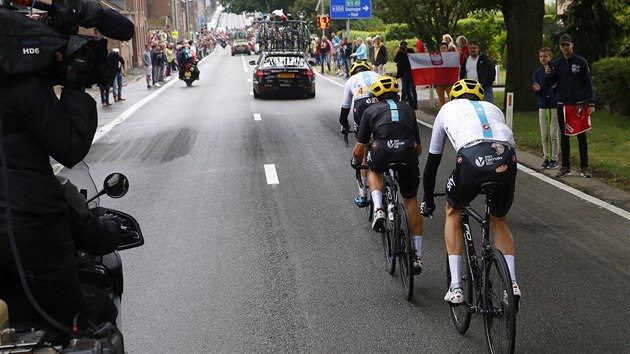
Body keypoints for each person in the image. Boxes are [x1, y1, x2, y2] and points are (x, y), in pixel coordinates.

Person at [0, 30, 124, 327]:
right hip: (31, 233)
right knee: (93, 313)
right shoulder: (23, 86)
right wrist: (73, 84)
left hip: (22, 234)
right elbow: (69, 147)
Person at [421, 79, 520, 304]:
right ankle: (512, 284)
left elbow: (432, 164)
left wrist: (428, 200)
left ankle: (456, 287)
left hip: (471, 158)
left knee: (453, 210)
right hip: (506, 157)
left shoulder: (446, 109)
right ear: (480, 97)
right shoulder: (493, 108)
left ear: (455, 97)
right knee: (499, 220)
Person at [352, 76, 425, 272]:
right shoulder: (408, 109)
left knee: (373, 170)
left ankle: (378, 209)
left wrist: (356, 163)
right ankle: (417, 256)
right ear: (399, 96)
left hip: (382, 149)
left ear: (375, 99)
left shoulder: (370, 110)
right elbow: (418, 148)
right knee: (410, 200)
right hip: (408, 151)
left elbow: (359, 150)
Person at [545, 34, 596, 178]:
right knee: (564, 135)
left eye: (567, 45)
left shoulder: (581, 62)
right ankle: (565, 166)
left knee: (581, 136)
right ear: (560, 47)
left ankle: (584, 167)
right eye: (563, 45)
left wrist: (591, 102)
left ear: (572, 45)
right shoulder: (556, 63)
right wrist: (548, 74)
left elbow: (588, 83)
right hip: (562, 104)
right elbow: (551, 84)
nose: (565, 47)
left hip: (579, 105)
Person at [339, 61, 382, 207]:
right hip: (379, 106)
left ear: (353, 72)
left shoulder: (351, 80)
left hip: (362, 108)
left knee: (363, 151)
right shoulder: (376, 74)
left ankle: (362, 195)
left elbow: (344, 111)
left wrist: (345, 126)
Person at [533, 46, 559, 169]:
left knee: (553, 133)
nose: (543, 58)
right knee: (544, 134)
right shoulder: (537, 73)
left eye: (545, 56)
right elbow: (536, 87)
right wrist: (537, 90)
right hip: (543, 103)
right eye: (541, 56)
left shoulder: (555, 70)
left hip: (554, 104)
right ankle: (546, 157)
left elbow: (556, 85)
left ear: (550, 57)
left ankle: (554, 158)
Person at [394, 41, 417, 109]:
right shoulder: (400, 53)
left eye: (405, 45)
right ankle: (410, 103)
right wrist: (399, 51)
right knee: (406, 89)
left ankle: (414, 104)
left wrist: (407, 52)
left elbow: (414, 57)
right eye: (402, 45)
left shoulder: (410, 51)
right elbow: (395, 60)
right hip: (403, 73)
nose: (404, 47)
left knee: (412, 88)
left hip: (411, 72)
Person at [434, 42, 453, 107]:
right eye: (441, 48)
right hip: (438, 82)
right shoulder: (435, 57)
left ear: (447, 49)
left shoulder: (452, 57)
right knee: (441, 102)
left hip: (449, 82)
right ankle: (442, 115)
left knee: (452, 100)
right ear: (439, 49)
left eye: (444, 48)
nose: (443, 49)